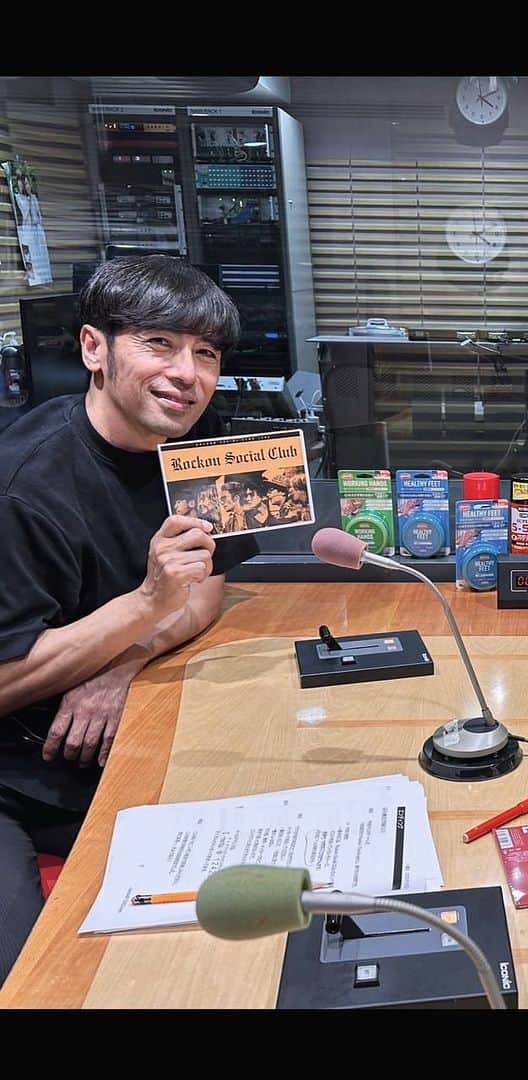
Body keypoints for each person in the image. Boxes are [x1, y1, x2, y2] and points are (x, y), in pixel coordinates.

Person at [0, 255, 257, 985]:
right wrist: (142, 606)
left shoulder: (203, 443)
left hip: (126, 738)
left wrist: (123, 661)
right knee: (34, 976)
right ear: (93, 349)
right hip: (18, 777)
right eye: (159, 343)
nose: (187, 374)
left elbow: (206, 587)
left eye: (205, 354)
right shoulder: (23, 487)